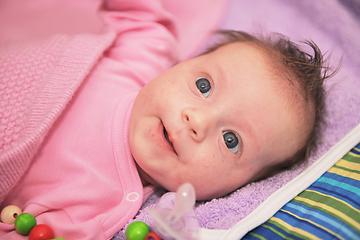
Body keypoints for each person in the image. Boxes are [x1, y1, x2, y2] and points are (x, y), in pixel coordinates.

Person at [0, 0, 332, 239]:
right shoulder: (142, 60)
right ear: (179, 65)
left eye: (231, 140)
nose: (198, 121)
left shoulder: (105, 206)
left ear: (237, 187)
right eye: (204, 86)